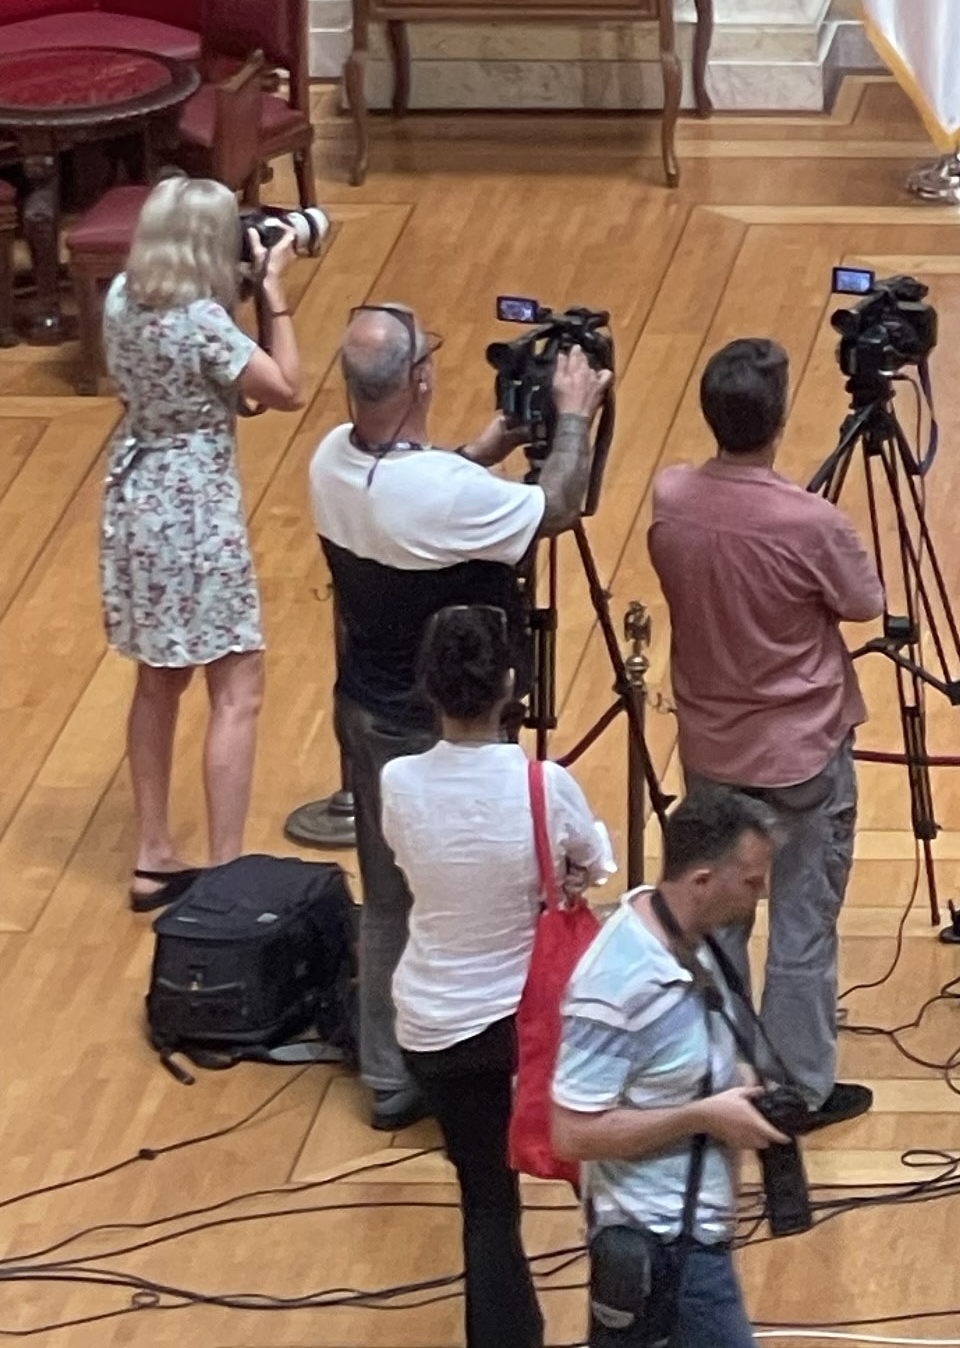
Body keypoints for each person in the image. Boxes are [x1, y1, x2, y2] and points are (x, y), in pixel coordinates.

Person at [313, 304, 607, 1129]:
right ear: (418, 380)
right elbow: (554, 508)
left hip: (362, 709)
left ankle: (388, 1075)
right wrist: (575, 417)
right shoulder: (442, 499)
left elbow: (422, 490)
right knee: (480, 896)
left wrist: (483, 449)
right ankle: (494, 1059)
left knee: (384, 897)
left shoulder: (331, 461)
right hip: (438, 727)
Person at [532, 788, 815, 1348]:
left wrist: (735, 1083)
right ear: (702, 880)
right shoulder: (616, 985)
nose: (761, 893)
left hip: (669, 1237)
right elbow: (570, 1131)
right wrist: (706, 1117)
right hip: (666, 1243)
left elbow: (677, 1062)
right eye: (751, 881)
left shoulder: (684, 938)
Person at [381, 602, 613, 1348]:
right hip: (533, 1023)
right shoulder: (542, 784)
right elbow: (593, 864)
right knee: (607, 1191)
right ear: (512, 685)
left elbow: (413, 865)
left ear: (429, 691)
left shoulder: (397, 783)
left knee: (487, 1203)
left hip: (437, 1025)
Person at [647, 338, 888, 1132]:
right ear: (779, 419)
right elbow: (863, 603)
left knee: (719, 925)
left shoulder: (673, 495)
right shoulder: (809, 521)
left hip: (711, 749)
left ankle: (716, 1072)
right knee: (800, 929)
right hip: (801, 755)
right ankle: (797, 1091)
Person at [98, 177, 302, 911]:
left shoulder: (121, 295)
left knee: (157, 678)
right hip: (197, 509)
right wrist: (273, 291)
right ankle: (227, 870)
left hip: (134, 493)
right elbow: (286, 387)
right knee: (237, 687)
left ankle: (153, 855)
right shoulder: (205, 322)